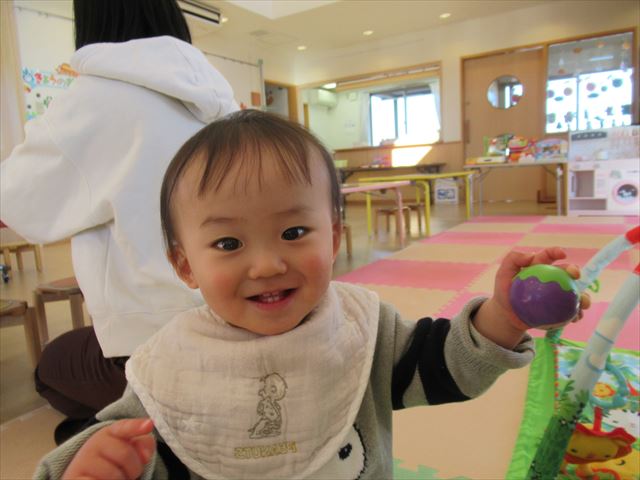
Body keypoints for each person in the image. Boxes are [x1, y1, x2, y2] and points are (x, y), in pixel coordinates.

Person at [34, 110, 590, 479]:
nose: (267, 264)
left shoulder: (361, 328)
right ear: (185, 266)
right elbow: (126, 439)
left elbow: (446, 365)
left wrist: (504, 316)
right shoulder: (173, 360)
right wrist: (96, 463)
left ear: (335, 238)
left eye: (294, 232)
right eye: (228, 243)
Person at [0, 0, 237, 437]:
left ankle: (145, 421)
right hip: (240, 320)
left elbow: (16, 200)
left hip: (152, 343)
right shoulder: (221, 98)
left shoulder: (95, 97)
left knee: (49, 370)